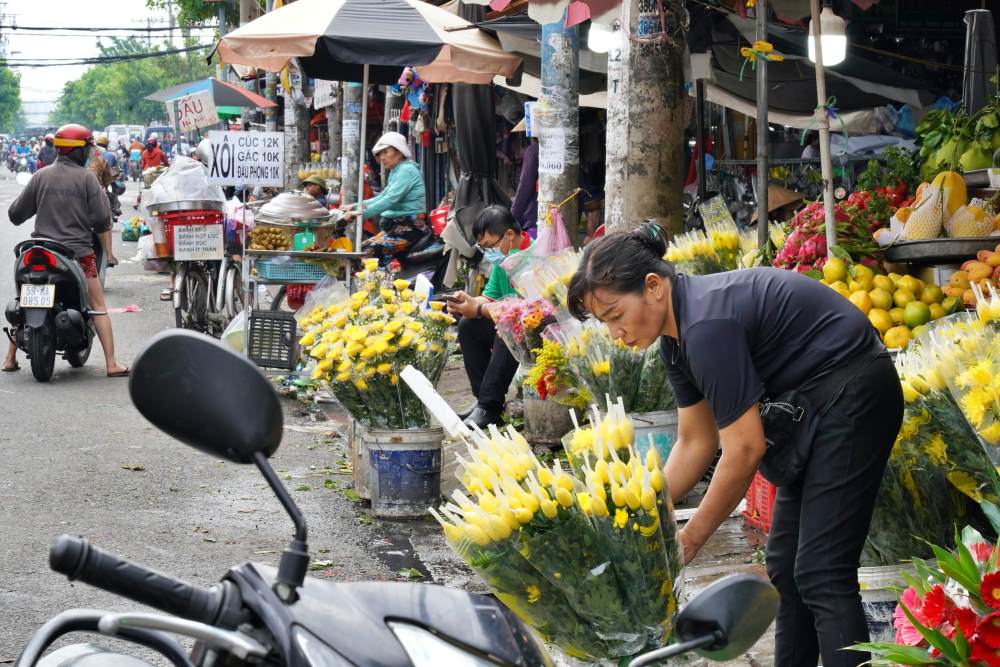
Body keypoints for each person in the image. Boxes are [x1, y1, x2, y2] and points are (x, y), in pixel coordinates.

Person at [565, 223, 903, 667]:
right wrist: (646, 516)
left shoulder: (705, 328)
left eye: (615, 316)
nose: (616, 334)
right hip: (814, 406)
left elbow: (744, 449)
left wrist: (689, 540)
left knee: (821, 571)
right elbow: (695, 440)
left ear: (653, 287)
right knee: (785, 566)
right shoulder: (677, 338)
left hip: (855, 393)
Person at [4, 123, 128, 377]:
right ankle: (112, 363)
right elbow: (104, 220)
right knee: (98, 305)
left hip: (39, 250)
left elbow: (15, 215)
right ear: (80, 152)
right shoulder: (87, 179)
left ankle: (9, 358)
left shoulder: (40, 176)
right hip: (78, 255)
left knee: (24, 298)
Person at [446, 205, 532, 429]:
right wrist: (469, 302)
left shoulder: (532, 257)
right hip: (513, 322)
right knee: (468, 326)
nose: (488, 252)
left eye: (490, 245)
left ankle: (489, 406)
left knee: (508, 326)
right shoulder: (502, 261)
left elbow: (521, 310)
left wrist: (478, 308)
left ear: (509, 235)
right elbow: (489, 299)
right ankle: (483, 403)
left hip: (536, 331)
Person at [342, 131, 425, 262]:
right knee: (361, 249)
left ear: (399, 151)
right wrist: (356, 206)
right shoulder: (396, 171)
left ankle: (381, 282)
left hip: (409, 227)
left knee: (367, 254)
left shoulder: (406, 170)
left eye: (386, 152)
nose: (382, 157)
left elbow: (390, 199)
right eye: (380, 153)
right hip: (394, 227)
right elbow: (383, 195)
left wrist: (361, 213)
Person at [94, 134, 123, 218]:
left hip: (90, 180)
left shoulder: (90, 154)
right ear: (106, 145)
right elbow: (115, 172)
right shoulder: (110, 155)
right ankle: (115, 207)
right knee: (114, 187)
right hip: (104, 180)